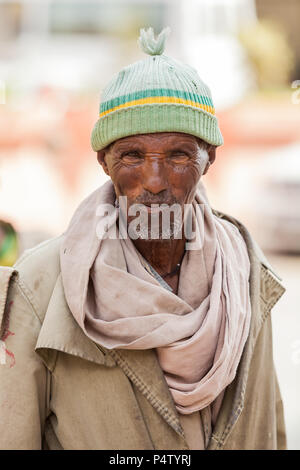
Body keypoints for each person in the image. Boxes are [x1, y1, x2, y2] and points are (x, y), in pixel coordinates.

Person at [0, 27, 286, 450]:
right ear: (105, 163)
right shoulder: (37, 288)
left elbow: (271, 431)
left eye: (178, 156)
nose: (154, 182)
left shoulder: (245, 272)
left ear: (209, 160)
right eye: (133, 156)